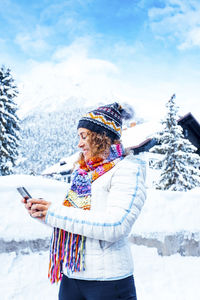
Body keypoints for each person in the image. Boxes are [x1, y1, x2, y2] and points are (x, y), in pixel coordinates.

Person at [22, 102, 146, 300]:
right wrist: (44, 213)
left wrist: (55, 213)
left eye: (83, 136)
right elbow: (74, 220)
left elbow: (116, 225)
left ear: (101, 137)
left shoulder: (128, 170)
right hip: (72, 276)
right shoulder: (84, 173)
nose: (79, 144)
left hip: (109, 283)